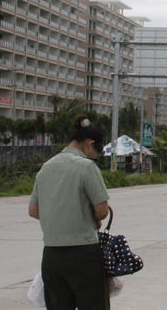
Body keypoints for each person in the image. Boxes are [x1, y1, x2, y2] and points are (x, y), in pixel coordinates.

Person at [29, 115, 110, 309]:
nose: (94, 157)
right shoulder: (87, 167)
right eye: (95, 152)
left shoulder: (46, 167)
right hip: (83, 253)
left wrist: (59, 215)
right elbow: (101, 210)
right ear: (89, 144)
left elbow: (33, 210)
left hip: (51, 255)